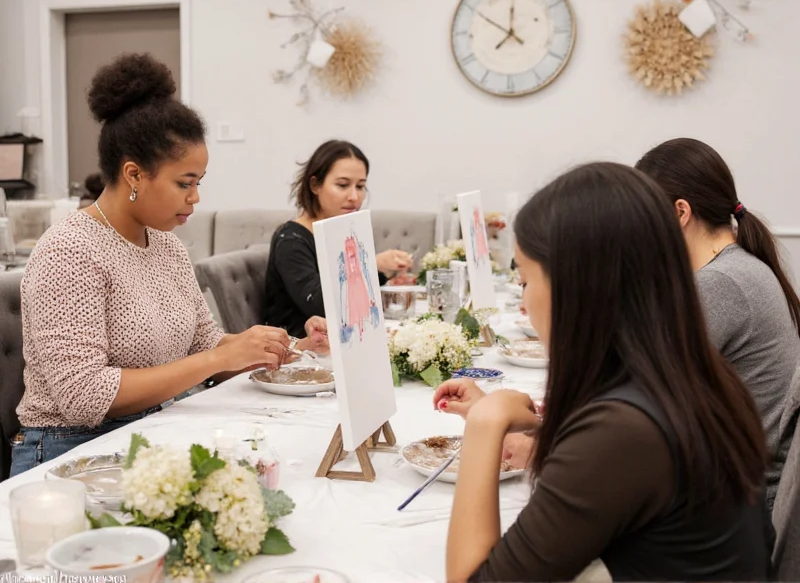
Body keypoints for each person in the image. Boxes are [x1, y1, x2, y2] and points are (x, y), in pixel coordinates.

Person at [433, 163, 772, 581]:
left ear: (577, 288)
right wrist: (547, 433)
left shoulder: (624, 428)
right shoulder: (690, 374)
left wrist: (486, 423)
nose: (524, 302)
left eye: (525, 281)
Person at [11, 53, 325, 477]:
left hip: (153, 431)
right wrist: (216, 360)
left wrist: (279, 349)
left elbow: (203, 345)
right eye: (185, 183)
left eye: (199, 183)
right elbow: (84, 396)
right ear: (134, 174)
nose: (195, 198)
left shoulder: (167, 246)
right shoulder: (70, 251)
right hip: (72, 454)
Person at [636, 137, 800, 509]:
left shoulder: (719, 283)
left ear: (680, 212)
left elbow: (646, 394)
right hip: (743, 481)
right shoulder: (738, 264)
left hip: (740, 499)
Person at [263, 140, 413, 338]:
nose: (354, 196)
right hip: (300, 349)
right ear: (315, 185)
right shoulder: (291, 240)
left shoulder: (343, 232)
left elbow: (358, 302)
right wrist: (371, 265)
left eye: (360, 186)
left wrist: (385, 272)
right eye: (342, 185)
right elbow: (321, 305)